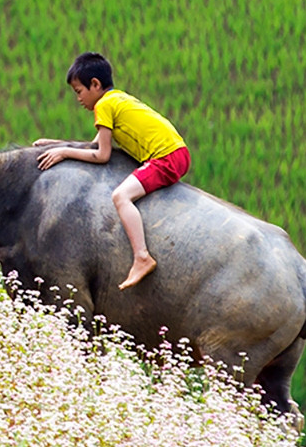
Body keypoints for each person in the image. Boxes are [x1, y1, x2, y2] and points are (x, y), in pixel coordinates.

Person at [34, 51, 190, 289]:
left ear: (95, 84)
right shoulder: (117, 98)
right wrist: (58, 144)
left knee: (120, 196)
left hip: (165, 159)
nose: (78, 99)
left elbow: (101, 155)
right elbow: (95, 143)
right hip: (178, 152)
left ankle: (142, 257)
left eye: (79, 91)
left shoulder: (104, 106)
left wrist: (64, 153)